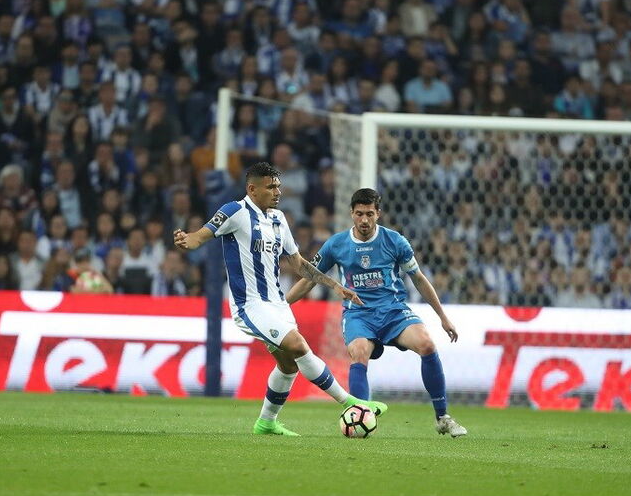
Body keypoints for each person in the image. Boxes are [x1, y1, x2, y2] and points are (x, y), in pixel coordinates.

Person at [174, 162, 387, 436]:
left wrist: (334, 285)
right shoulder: (234, 212)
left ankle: (266, 422)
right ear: (252, 188)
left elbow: (298, 263)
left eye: (278, 185)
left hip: (278, 304)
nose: (277, 191)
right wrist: (185, 239)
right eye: (271, 186)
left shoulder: (278, 218)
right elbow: (198, 237)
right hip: (249, 305)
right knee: (298, 346)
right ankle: (351, 402)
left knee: (287, 365)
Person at [285, 188, 467, 438]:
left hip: (393, 311)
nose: (364, 220)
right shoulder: (336, 244)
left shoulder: (395, 241)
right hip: (358, 314)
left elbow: (419, 279)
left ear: (378, 214)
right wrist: (283, 305)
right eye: (359, 214)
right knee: (359, 353)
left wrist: (442, 317)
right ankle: (362, 415)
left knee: (426, 344)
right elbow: (309, 279)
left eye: (369, 214)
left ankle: (442, 417)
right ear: (351, 214)